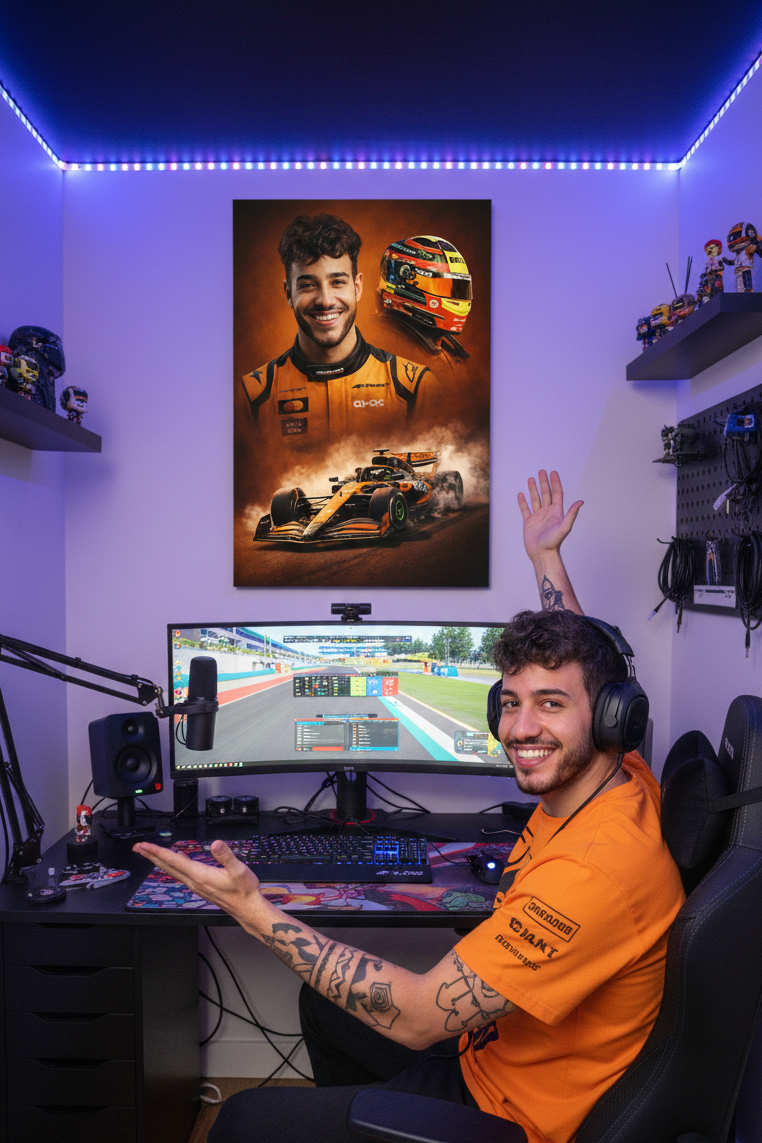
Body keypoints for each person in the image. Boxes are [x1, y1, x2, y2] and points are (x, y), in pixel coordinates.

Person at [133, 471, 684, 1143]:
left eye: (551, 704)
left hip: (511, 1113)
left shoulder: (599, 868)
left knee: (242, 1121)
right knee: (326, 1005)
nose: (519, 728)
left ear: (603, 719)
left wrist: (252, 909)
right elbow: (588, 659)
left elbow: (422, 1016)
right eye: (510, 702)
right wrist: (545, 557)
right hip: (493, 1050)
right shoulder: (622, 779)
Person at [240, 214, 439, 445]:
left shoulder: (414, 387)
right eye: (307, 285)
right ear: (288, 294)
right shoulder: (251, 395)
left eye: (337, 282)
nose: (325, 300)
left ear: (357, 288)